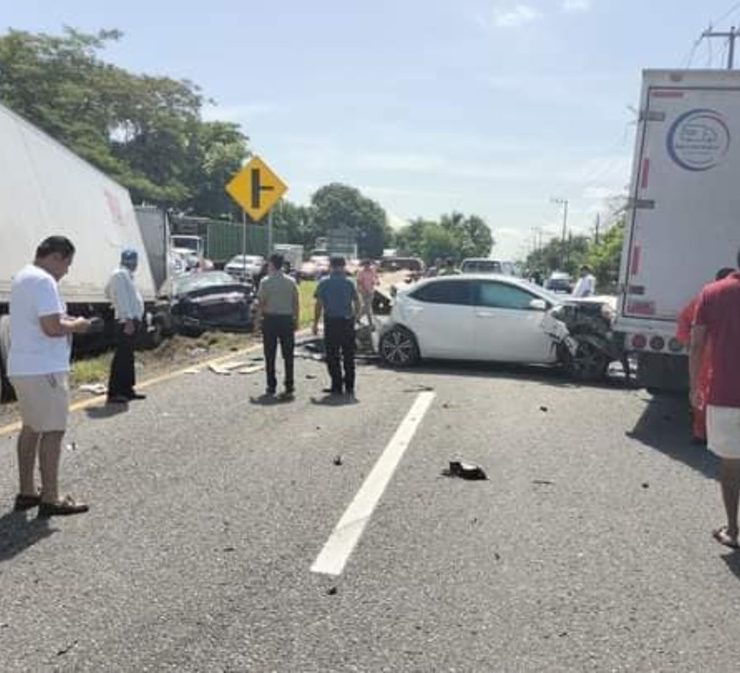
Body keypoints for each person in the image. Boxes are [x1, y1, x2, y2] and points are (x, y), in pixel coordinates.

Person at [7, 236, 92, 517]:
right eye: (67, 263)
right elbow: (52, 327)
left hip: (22, 366)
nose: (66, 271)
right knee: (53, 432)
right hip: (44, 369)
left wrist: (67, 322)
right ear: (56, 256)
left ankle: (27, 491)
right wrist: (78, 326)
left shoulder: (22, 277)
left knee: (31, 428)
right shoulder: (44, 281)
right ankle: (51, 497)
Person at [690, 252, 740, 549]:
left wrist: (695, 386)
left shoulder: (713, 292)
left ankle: (734, 531)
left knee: (732, 465)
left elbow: (696, 345)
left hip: (726, 394)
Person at [677, 267, 735, 443]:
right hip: (716, 350)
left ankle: (703, 432)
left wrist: (688, 341)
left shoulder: (706, 297)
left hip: (707, 349)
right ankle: (704, 432)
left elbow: (684, 321)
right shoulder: (715, 297)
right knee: (710, 390)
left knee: (704, 390)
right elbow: (685, 321)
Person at [313, 256, 361, 397]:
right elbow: (358, 303)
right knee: (348, 355)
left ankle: (337, 384)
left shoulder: (324, 282)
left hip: (332, 322)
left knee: (332, 355)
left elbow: (319, 304)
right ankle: (350, 385)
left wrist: (315, 323)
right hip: (347, 321)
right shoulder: (350, 282)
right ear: (344, 266)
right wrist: (355, 318)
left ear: (331, 266)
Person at [105, 248, 146, 404]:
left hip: (128, 320)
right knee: (122, 357)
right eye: (132, 261)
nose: (133, 264)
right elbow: (122, 299)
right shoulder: (120, 275)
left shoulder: (124, 275)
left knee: (127, 357)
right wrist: (128, 319)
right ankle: (116, 392)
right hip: (125, 322)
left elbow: (107, 292)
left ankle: (127, 390)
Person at [256, 253, 299, 398]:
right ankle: (289, 384)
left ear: (272, 264)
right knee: (288, 354)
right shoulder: (291, 281)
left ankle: (271, 385)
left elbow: (261, 303)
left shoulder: (265, 282)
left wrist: (257, 322)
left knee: (270, 354)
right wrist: (296, 319)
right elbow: (295, 302)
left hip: (270, 320)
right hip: (286, 320)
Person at [356, 259, 378, 327]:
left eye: (368, 265)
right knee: (368, 307)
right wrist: (364, 289)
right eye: (366, 265)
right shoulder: (361, 272)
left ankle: (357, 318)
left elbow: (374, 278)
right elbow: (359, 282)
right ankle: (370, 323)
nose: (367, 266)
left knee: (365, 307)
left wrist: (375, 282)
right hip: (364, 291)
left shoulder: (372, 271)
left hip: (371, 290)